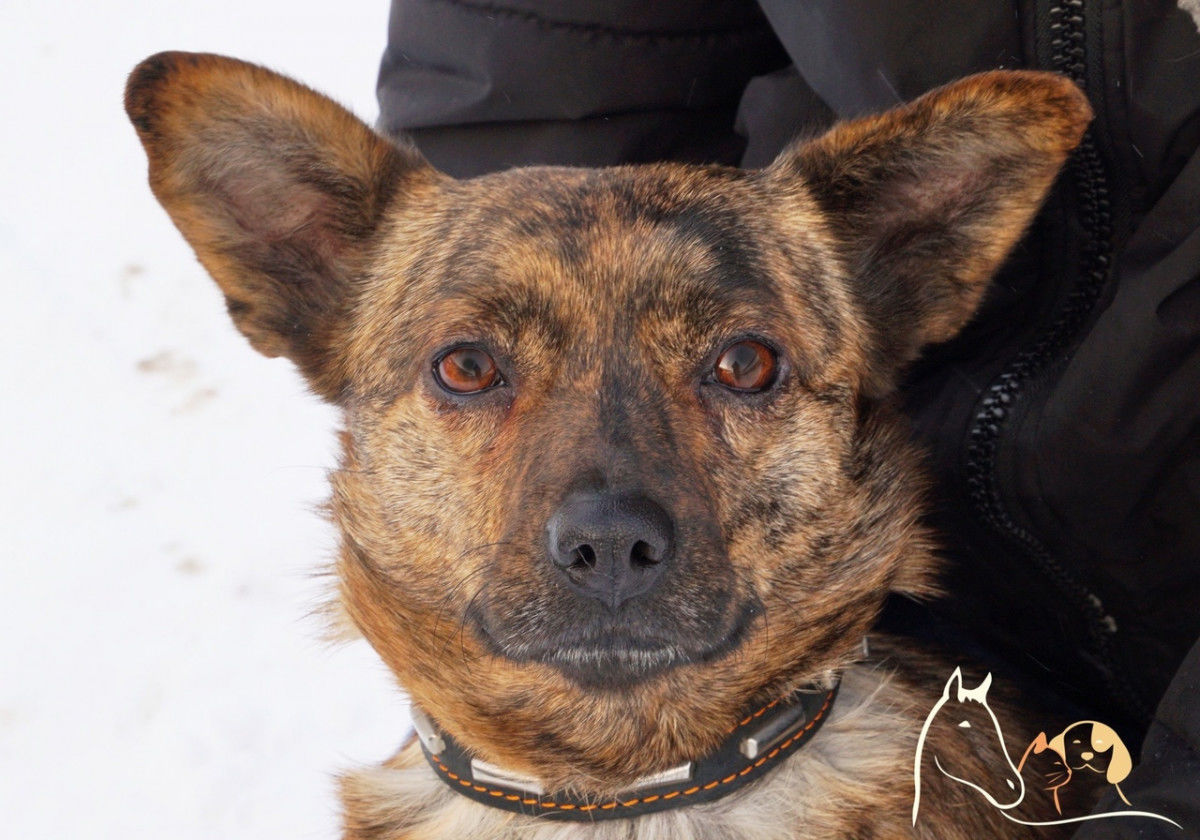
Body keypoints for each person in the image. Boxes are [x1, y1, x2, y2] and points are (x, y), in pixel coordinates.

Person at [376, 1, 1200, 833]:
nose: (605, 531)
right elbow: (553, 66)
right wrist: (471, 245)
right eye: (470, 369)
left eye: (741, 367)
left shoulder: (865, 254)